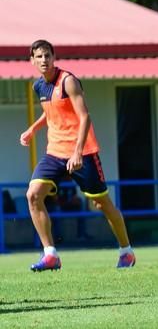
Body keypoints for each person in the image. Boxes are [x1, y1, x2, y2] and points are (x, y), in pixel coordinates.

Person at [19, 40, 135, 271]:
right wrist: (34, 128)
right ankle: (50, 255)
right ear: (32, 60)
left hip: (83, 152)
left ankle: (126, 251)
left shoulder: (68, 81)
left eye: (47, 56)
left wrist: (78, 152)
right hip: (55, 152)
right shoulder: (38, 86)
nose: (44, 60)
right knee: (33, 195)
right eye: (39, 56)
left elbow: (84, 117)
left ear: (54, 57)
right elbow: (52, 113)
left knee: (101, 204)